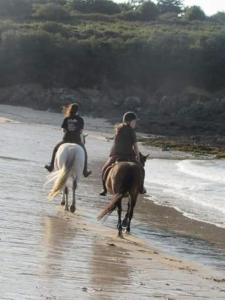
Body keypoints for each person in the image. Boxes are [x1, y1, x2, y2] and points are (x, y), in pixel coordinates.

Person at [99, 111, 145, 196]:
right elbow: (135, 146)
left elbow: (116, 143)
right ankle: (141, 188)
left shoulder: (118, 129)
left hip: (116, 155)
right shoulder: (132, 131)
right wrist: (138, 157)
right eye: (134, 122)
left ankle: (104, 189)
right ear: (129, 121)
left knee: (105, 169)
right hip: (128, 156)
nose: (135, 124)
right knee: (141, 169)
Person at [45, 103, 92, 177]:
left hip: (66, 139)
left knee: (56, 148)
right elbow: (80, 131)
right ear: (77, 110)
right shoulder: (80, 119)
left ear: (70, 109)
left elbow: (64, 130)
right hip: (77, 140)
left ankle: (51, 166)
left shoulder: (67, 118)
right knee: (85, 152)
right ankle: (85, 171)